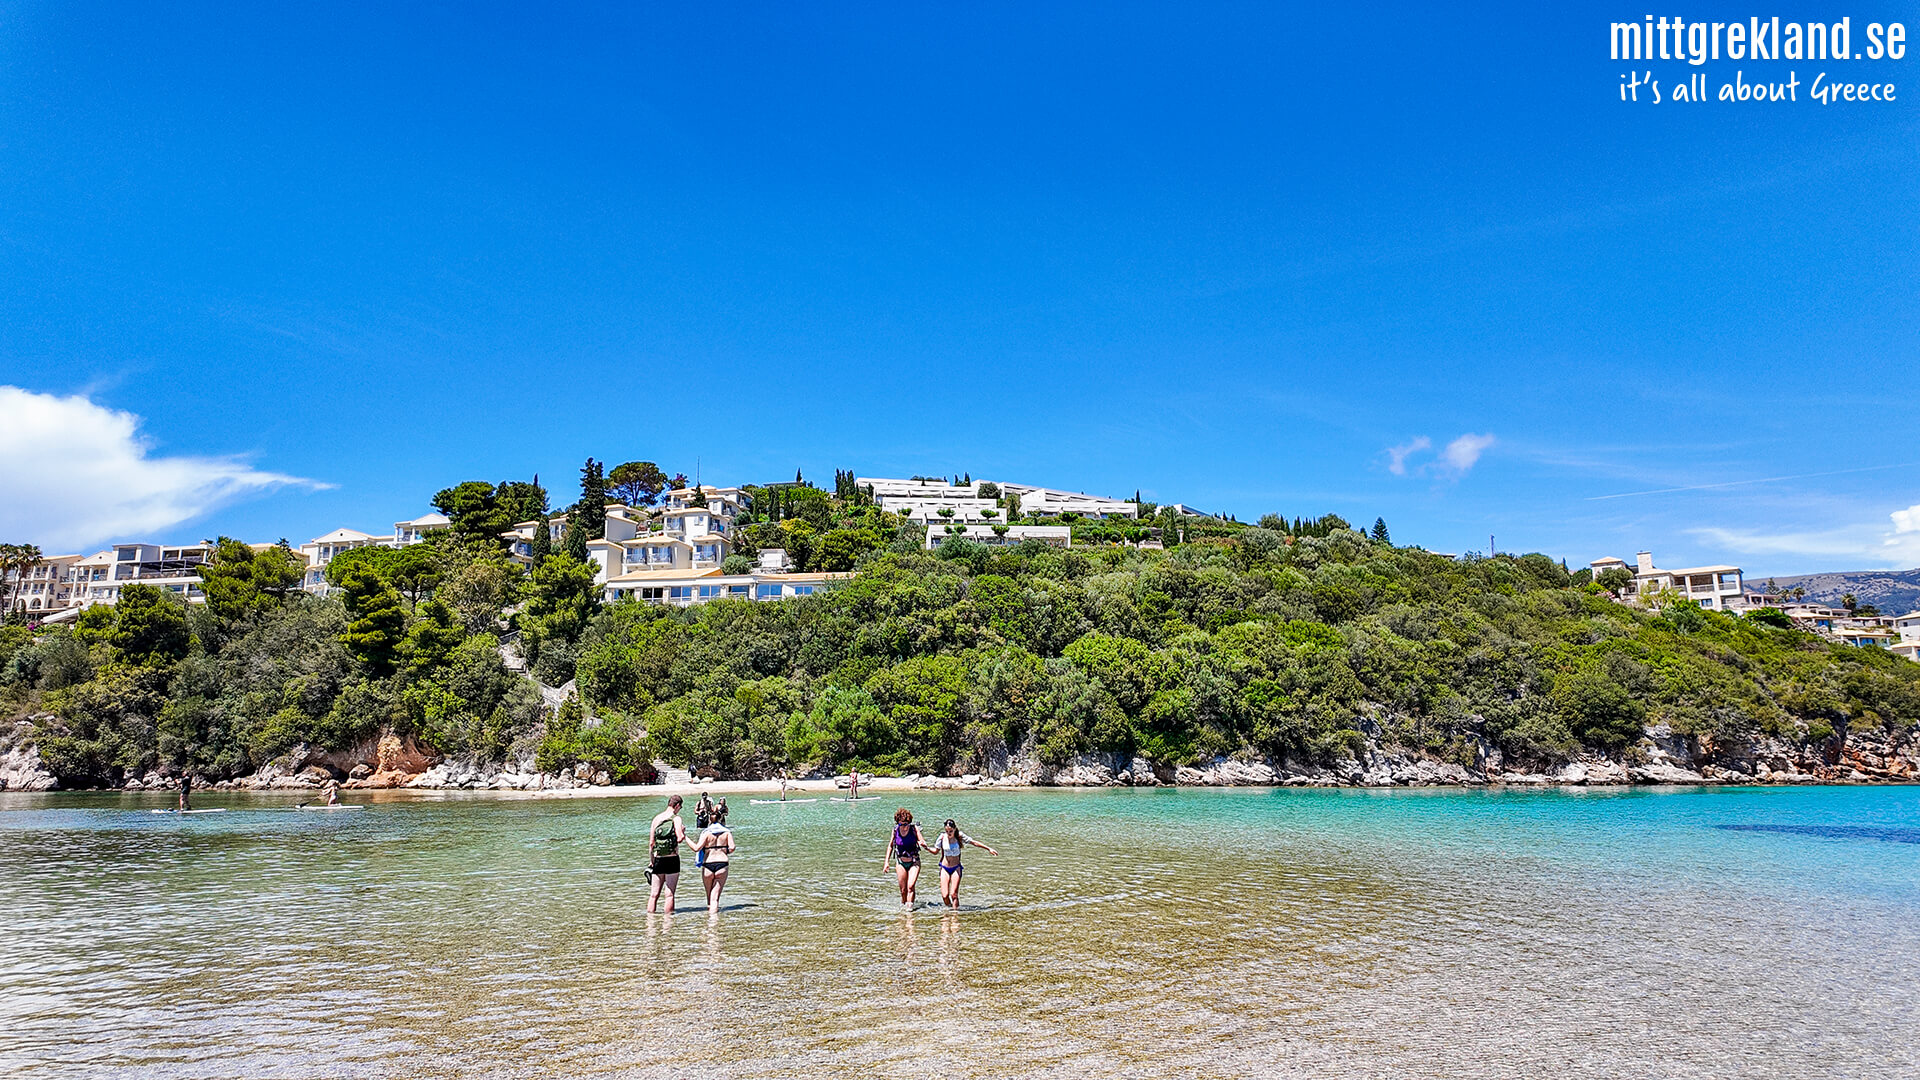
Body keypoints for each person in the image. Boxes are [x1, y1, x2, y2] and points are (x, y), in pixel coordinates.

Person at [932, 818, 997, 910]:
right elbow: (935, 851)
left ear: (954, 829)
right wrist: (925, 847)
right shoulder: (942, 837)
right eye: (947, 831)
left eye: (951, 831)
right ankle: (950, 910)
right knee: (945, 895)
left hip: (956, 868)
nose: (949, 833)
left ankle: (955, 915)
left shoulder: (959, 836)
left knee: (953, 894)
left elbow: (974, 842)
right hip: (944, 867)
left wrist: (988, 848)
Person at [648, 795, 690, 914]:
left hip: (658, 859)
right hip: (672, 859)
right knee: (669, 894)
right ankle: (668, 923)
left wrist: (652, 861)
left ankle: (650, 922)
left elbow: (651, 843)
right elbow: (680, 838)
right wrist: (682, 831)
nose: (679, 810)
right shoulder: (676, 818)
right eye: (680, 807)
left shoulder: (656, 819)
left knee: (653, 895)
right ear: (677, 805)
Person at [883, 808, 932, 909]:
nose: (904, 827)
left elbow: (922, 841)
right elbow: (890, 846)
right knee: (903, 890)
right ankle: (904, 908)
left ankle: (910, 910)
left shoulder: (914, 829)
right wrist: (886, 862)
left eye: (906, 824)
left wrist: (922, 843)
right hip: (901, 862)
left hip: (914, 862)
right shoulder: (895, 830)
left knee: (910, 886)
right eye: (902, 824)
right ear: (898, 823)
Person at [694, 800, 737, 914]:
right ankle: (714, 923)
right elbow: (732, 847)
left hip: (708, 863)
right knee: (715, 898)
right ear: (720, 820)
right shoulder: (727, 833)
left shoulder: (706, 833)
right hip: (722, 863)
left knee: (709, 897)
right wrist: (724, 851)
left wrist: (685, 838)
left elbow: (697, 848)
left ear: (709, 820)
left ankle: (709, 920)